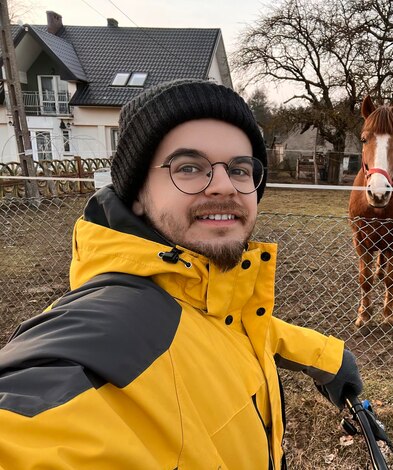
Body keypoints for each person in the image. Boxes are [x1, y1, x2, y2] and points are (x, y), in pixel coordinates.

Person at [0, 79, 362, 469]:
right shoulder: (110, 329)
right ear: (137, 194)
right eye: (189, 167)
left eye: (240, 169)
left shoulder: (203, 291)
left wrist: (323, 354)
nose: (225, 185)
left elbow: (225, 325)